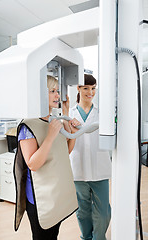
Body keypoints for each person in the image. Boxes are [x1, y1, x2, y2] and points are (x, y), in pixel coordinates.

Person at [13, 75, 80, 240]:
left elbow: (65, 152)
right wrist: (50, 137)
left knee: (53, 236)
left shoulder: (54, 120)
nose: (58, 95)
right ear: (40, 94)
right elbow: (33, 164)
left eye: (57, 91)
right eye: (53, 91)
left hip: (55, 196)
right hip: (39, 200)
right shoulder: (28, 126)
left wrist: (68, 119)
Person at [69, 74, 111, 240]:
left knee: (103, 212)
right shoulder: (70, 114)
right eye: (86, 88)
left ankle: (98, 238)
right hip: (77, 170)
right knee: (82, 211)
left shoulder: (102, 113)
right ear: (78, 89)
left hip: (100, 169)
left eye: (93, 88)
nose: (90, 92)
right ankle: (86, 237)